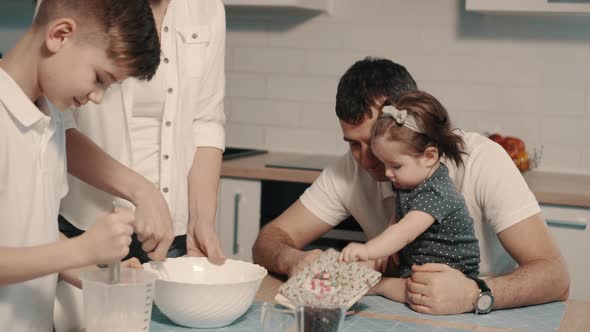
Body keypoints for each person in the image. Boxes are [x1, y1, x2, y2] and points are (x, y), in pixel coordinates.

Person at [252, 57, 569, 315]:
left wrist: (476, 293)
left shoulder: (483, 160)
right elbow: (270, 239)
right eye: (353, 144)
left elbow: (555, 276)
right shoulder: (349, 170)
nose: (366, 159)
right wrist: (292, 260)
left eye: (374, 140)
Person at [0, 0, 160, 330]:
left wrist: (99, 278)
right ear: (60, 35)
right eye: (100, 78)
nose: (98, 97)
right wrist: (81, 250)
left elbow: (35, 234)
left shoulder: (50, 120)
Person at [57, 0, 227, 264]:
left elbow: (206, 121)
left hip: (169, 231)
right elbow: (56, 121)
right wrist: (142, 191)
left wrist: (201, 220)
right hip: (91, 225)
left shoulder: (208, 8)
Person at [338, 90, 480, 303]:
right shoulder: (410, 181)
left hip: (450, 276)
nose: (387, 173)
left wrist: (367, 249)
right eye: (384, 163)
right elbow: (398, 220)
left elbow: (404, 232)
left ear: (429, 156)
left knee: (413, 289)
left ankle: (379, 286)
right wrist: (380, 251)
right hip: (418, 264)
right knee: (364, 266)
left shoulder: (436, 192)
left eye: (395, 165)